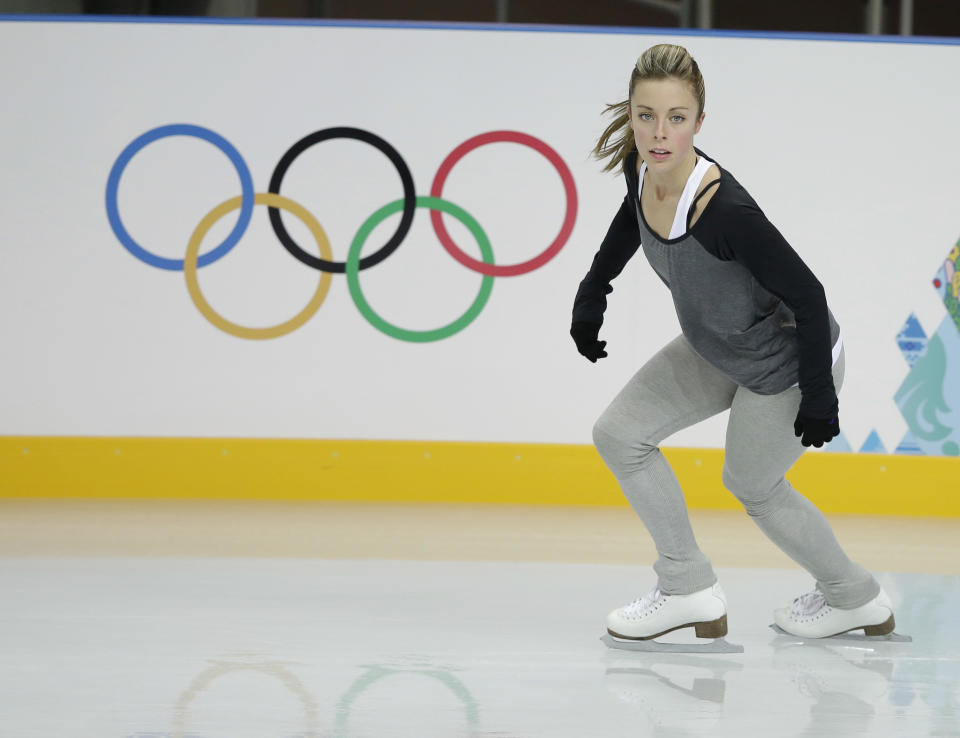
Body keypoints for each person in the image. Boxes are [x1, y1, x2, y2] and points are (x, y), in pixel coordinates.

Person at [571, 43, 895, 641]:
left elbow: (808, 294)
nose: (659, 133)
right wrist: (594, 289)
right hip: (717, 345)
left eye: (676, 118)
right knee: (620, 435)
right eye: (646, 116)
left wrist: (821, 393)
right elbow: (631, 214)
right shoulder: (640, 166)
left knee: (754, 487)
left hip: (788, 364)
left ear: (699, 120)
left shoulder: (725, 211)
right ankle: (686, 586)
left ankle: (854, 598)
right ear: (632, 115)